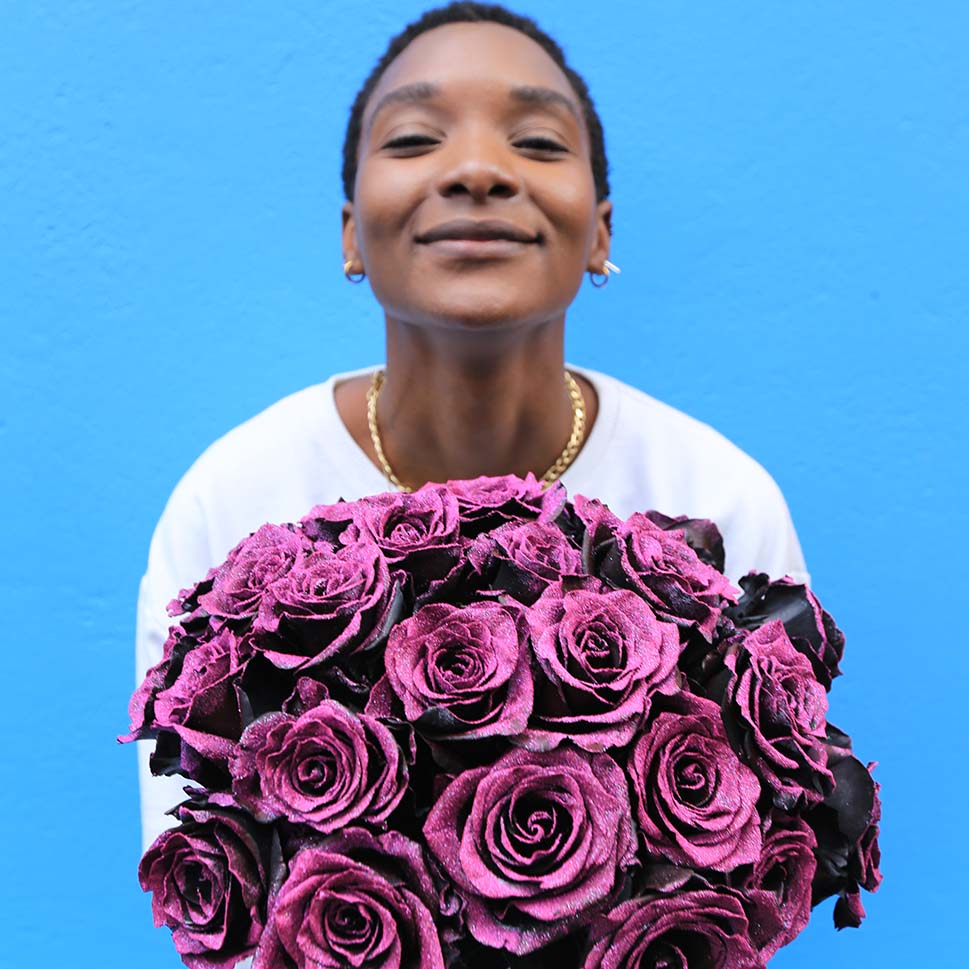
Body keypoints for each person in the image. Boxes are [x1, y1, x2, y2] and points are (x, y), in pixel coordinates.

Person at [134, 1, 809, 853]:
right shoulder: (231, 502)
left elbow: (767, 857)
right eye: (416, 140)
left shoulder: (718, 500)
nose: (479, 170)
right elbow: (195, 864)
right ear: (351, 233)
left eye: (537, 143)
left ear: (600, 230)